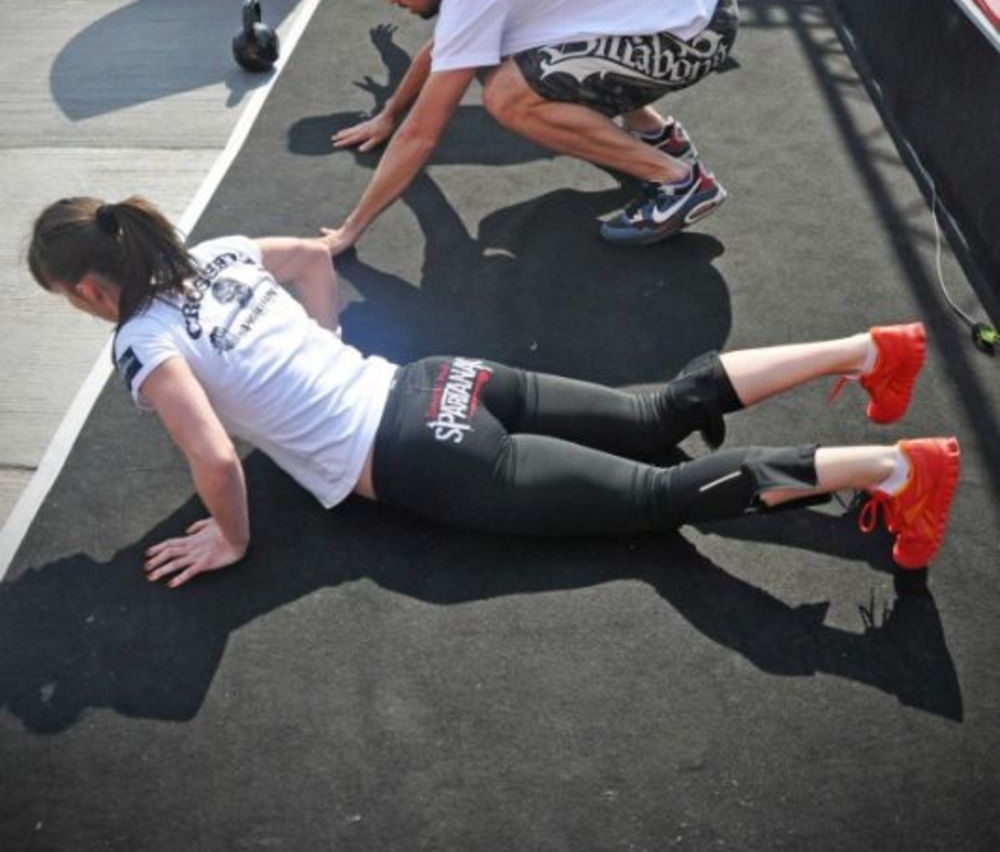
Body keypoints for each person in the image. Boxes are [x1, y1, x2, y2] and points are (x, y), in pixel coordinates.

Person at [28, 194, 958, 588]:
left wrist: (230, 539)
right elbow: (315, 257)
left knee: (658, 498)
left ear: (87, 291)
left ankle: (891, 471)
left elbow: (214, 454)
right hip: (442, 379)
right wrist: (326, 342)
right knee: (652, 415)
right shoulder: (217, 251)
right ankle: (870, 351)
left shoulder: (141, 344)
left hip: (419, 455)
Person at [328, 0, 740, 249]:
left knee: (507, 96)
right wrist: (388, 112)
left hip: (697, 30)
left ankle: (679, 182)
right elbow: (443, 50)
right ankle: (656, 136)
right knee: (496, 59)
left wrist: (350, 230)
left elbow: (421, 134)